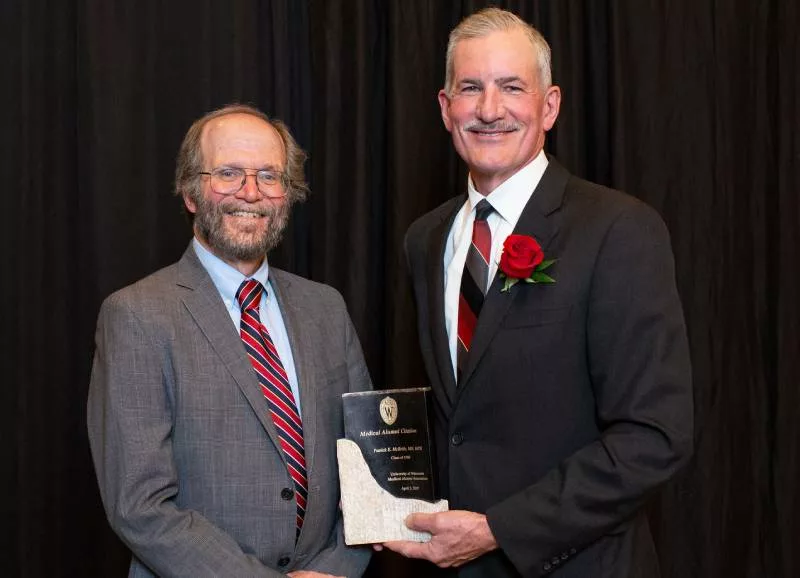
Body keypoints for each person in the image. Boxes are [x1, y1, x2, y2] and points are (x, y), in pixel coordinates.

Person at [384, 8, 693, 577]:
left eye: (511, 88)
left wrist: (498, 531)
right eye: (470, 88)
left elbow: (654, 436)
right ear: (445, 107)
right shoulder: (425, 239)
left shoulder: (617, 229)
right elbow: (454, 420)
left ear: (549, 106)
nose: (489, 109)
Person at [87, 104, 372, 578]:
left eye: (269, 176)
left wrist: (339, 566)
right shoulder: (136, 314)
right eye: (229, 173)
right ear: (191, 192)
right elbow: (138, 504)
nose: (251, 193)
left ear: (288, 194)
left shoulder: (326, 308)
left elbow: (367, 464)